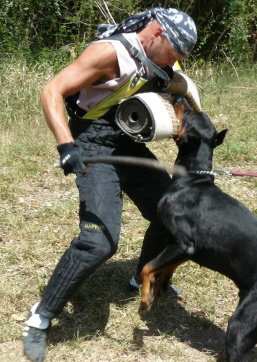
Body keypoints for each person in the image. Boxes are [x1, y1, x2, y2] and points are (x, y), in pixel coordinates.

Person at [22, 7, 197, 362]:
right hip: (91, 141)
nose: (174, 62)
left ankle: (141, 277)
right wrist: (67, 145)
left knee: (171, 210)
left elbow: (179, 88)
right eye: (174, 54)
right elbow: (51, 91)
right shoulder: (110, 53)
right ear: (158, 34)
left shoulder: (161, 58)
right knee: (99, 241)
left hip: (126, 139)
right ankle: (40, 318)